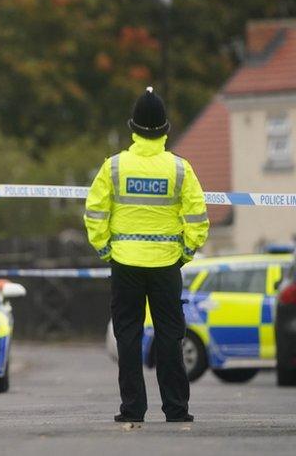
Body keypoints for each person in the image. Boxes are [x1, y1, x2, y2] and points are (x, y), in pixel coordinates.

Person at [84, 86, 209, 423]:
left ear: (133, 127)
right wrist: (185, 252)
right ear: (165, 129)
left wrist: (105, 249)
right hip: (167, 264)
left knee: (128, 335)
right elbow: (198, 216)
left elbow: (95, 212)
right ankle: (176, 408)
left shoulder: (113, 167)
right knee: (170, 336)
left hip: (125, 263)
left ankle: (132, 408)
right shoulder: (180, 169)